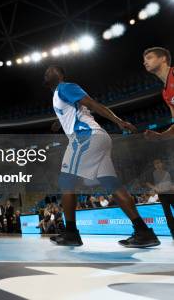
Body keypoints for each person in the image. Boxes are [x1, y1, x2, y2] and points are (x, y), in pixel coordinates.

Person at [44, 66, 160, 247]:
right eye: (47, 71)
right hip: (98, 139)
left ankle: (71, 233)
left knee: (66, 182)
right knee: (112, 185)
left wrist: (119, 122)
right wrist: (58, 123)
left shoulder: (65, 87)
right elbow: (74, 112)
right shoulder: (59, 96)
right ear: (45, 82)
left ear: (61, 76)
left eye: (54, 69)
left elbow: (92, 104)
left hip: (85, 137)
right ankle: (143, 231)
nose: (49, 70)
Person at [143, 47, 174, 238]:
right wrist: (162, 136)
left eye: (149, 57)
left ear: (163, 58)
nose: (144, 61)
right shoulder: (165, 93)